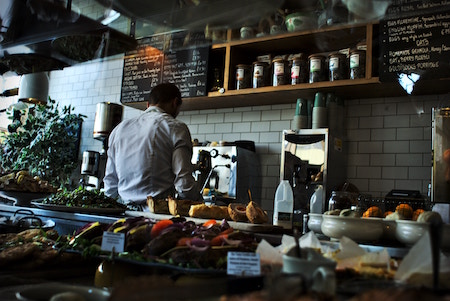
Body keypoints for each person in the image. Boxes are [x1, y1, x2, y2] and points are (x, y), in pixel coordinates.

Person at [103, 82, 202, 210]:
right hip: (157, 213)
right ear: (175, 102)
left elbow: (110, 181)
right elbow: (184, 183)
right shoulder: (176, 127)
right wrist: (199, 203)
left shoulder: (119, 129)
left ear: (148, 105)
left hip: (123, 213)